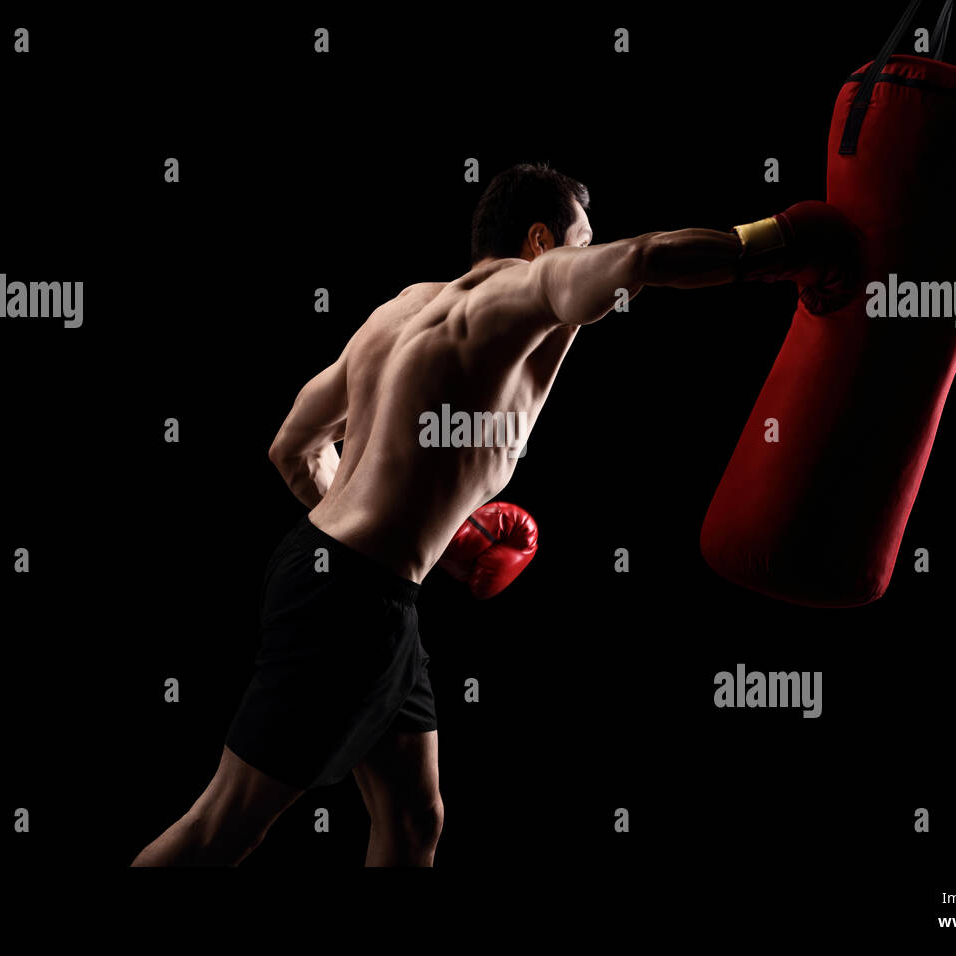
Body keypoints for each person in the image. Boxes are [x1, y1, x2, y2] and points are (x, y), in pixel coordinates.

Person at [130, 162, 862, 867]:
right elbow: (642, 257)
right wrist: (783, 247)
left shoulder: (399, 310)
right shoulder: (534, 281)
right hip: (354, 602)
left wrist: (411, 532)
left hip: (340, 578)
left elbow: (292, 449)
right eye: (582, 241)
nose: (589, 258)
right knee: (221, 828)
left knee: (416, 819)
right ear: (541, 240)